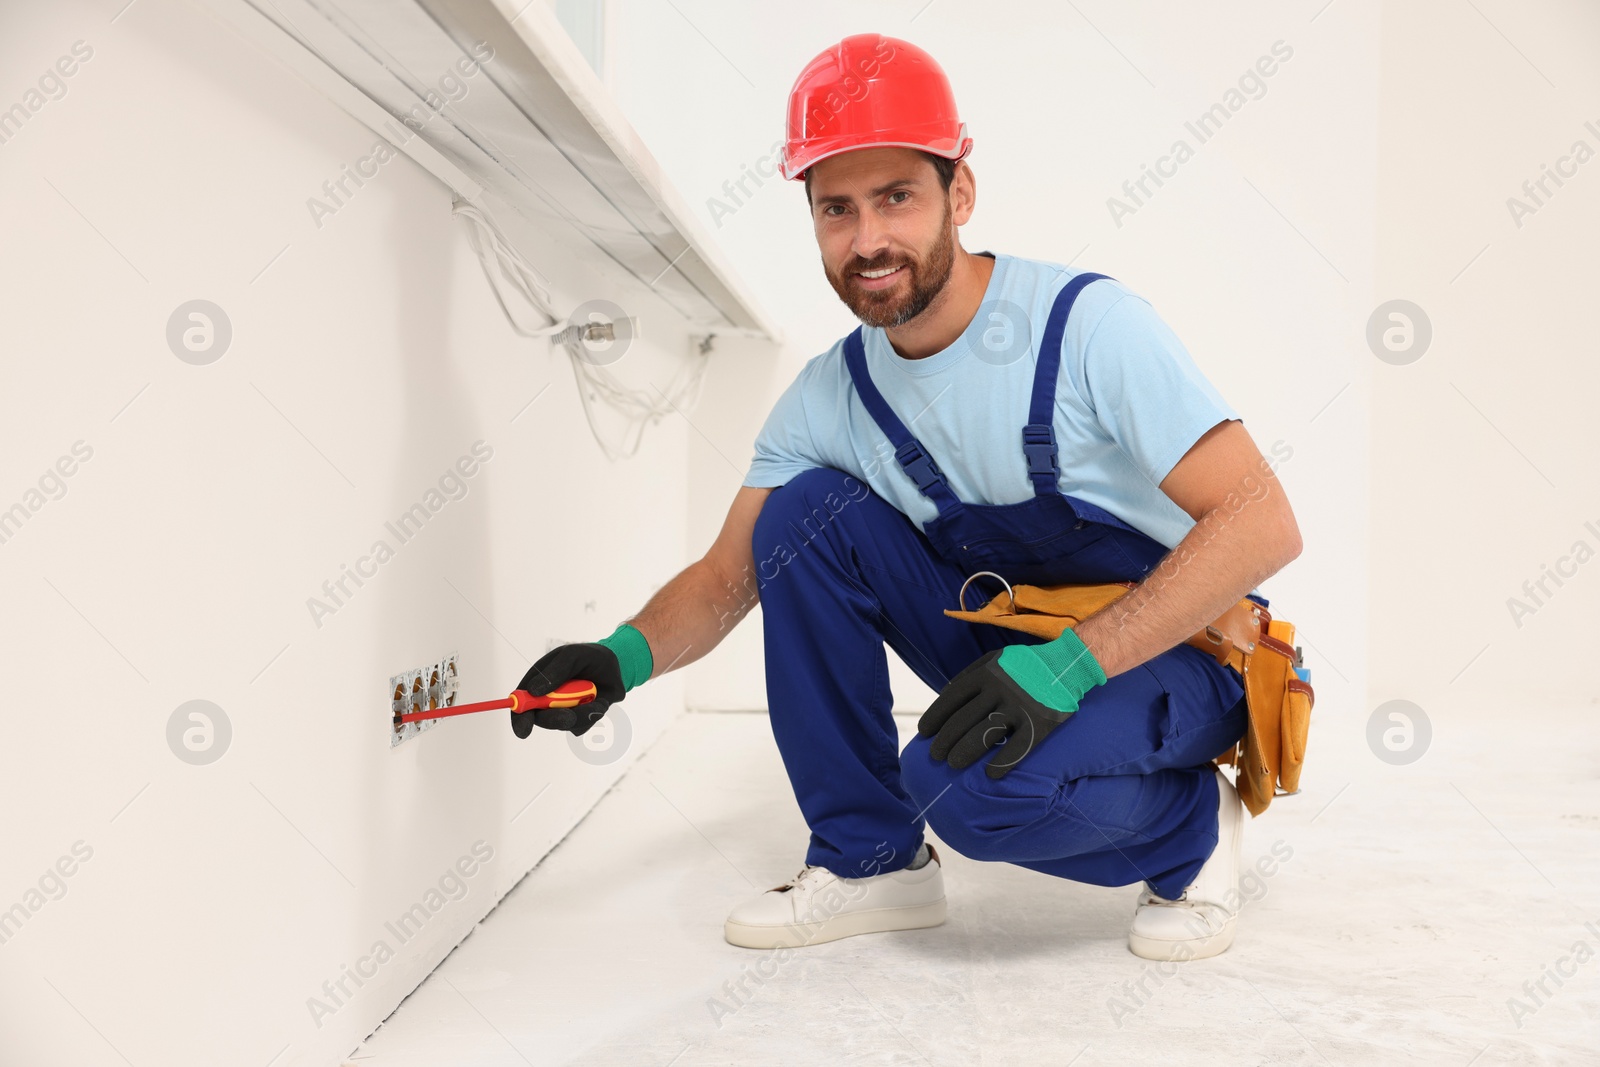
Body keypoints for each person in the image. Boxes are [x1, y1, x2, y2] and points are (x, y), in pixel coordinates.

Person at [509, 33, 1302, 962]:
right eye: (836, 209)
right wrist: (619, 658)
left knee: (963, 789)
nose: (868, 240)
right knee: (803, 513)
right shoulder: (830, 396)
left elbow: (1262, 520)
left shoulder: (1087, 330)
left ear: (959, 194)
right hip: (1016, 642)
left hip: (1179, 652)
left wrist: (1069, 668)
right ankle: (871, 861)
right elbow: (729, 577)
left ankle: (1188, 829)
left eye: (896, 198)